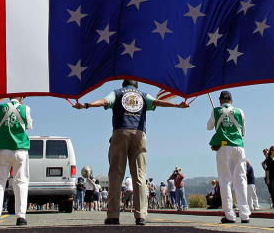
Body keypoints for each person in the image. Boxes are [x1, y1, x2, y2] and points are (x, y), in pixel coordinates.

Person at [73, 78, 189, 225]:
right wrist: (178, 105)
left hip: (120, 132)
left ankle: (113, 215)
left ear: (124, 85)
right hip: (139, 134)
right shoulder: (142, 95)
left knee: (115, 174)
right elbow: (157, 102)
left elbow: (104, 101)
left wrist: (86, 105)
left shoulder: (117, 93)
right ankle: (141, 215)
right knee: (140, 175)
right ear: (136, 85)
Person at [207, 90, 251, 224]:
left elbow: (209, 127)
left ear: (220, 100)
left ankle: (230, 215)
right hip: (239, 147)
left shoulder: (216, 110)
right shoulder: (239, 111)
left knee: (225, 181)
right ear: (231, 101)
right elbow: (243, 131)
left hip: (223, 147)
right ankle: (245, 214)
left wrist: (217, 117)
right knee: (241, 180)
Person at [0, 96, 32, 226]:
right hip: (20, 149)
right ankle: (21, 216)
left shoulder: (1, 107)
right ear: (21, 97)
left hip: (3, 148)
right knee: (21, 182)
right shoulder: (26, 108)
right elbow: (29, 125)